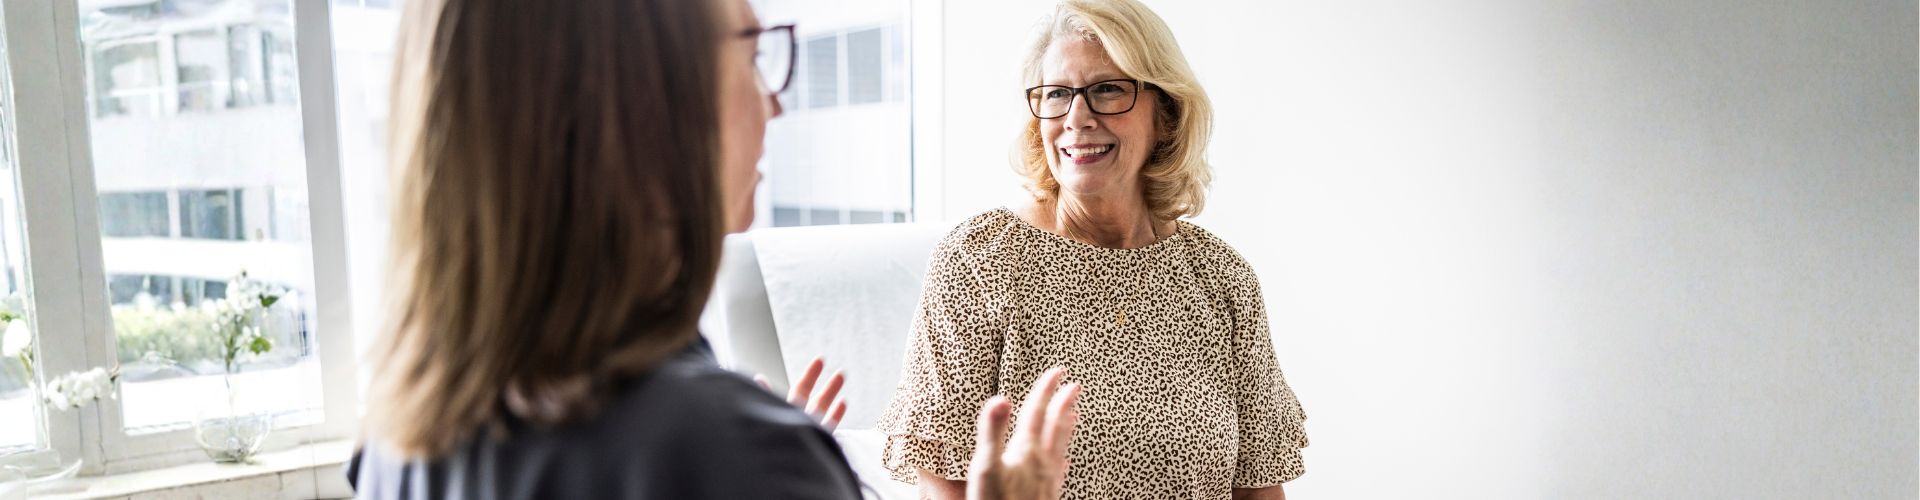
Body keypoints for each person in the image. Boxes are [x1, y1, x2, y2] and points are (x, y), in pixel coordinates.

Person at [346, 0, 1081, 497]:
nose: (774, 102)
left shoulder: (398, 431)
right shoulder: (727, 456)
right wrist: (760, 458)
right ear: (650, 101)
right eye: (756, 55)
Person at [876, 0, 1309, 498]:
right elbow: (942, 482)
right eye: (1057, 93)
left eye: (1107, 89)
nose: (1076, 117)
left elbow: (1258, 488)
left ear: (1165, 114)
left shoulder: (1220, 277)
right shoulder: (980, 260)